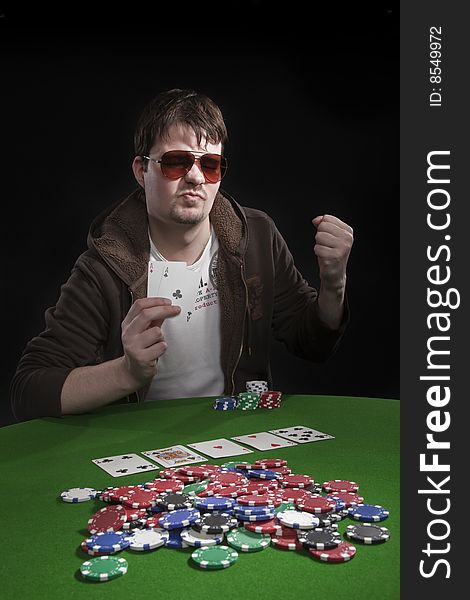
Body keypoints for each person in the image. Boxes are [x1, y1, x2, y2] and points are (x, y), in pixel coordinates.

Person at [10, 88, 354, 422]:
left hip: (234, 437)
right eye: (175, 163)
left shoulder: (257, 236)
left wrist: (333, 284)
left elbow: (312, 344)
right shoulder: (105, 266)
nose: (194, 177)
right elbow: (30, 392)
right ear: (140, 171)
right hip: (139, 448)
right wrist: (127, 372)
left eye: (210, 165)